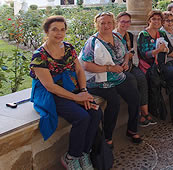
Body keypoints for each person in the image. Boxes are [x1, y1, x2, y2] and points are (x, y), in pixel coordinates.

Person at [30, 16, 101, 169]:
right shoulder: (39, 55)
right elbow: (49, 86)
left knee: (95, 112)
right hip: (52, 94)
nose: (59, 33)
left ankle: (83, 153)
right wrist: (77, 98)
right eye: (54, 29)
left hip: (73, 88)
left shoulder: (68, 48)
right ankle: (71, 157)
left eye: (62, 29)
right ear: (47, 31)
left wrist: (83, 91)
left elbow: (79, 70)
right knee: (81, 117)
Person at [81, 12, 142, 147]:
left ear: (113, 24)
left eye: (109, 23)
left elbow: (126, 53)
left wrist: (125, 62)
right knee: (114, 102)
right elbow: (86, 65)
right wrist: (109, 68)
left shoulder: (117, 36)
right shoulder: (92, 42)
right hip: (99, 80)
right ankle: (107, 137)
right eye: (102, 23)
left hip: (117, 76)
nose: (106, 25)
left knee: (135, 97)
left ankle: (132, 129)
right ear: (97, 25)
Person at [114, 12, 156, 127]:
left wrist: (128, 57)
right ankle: (137, 114)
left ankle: (145, 112)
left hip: (130, 65)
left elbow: (131, 51)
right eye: (123, 21)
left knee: (142, 78)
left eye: (128, 21)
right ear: (117, 22)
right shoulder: (113, 36)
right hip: (119, 68)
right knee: (133, 81)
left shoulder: (130, 35)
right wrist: (126, 58)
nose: (125, 24)